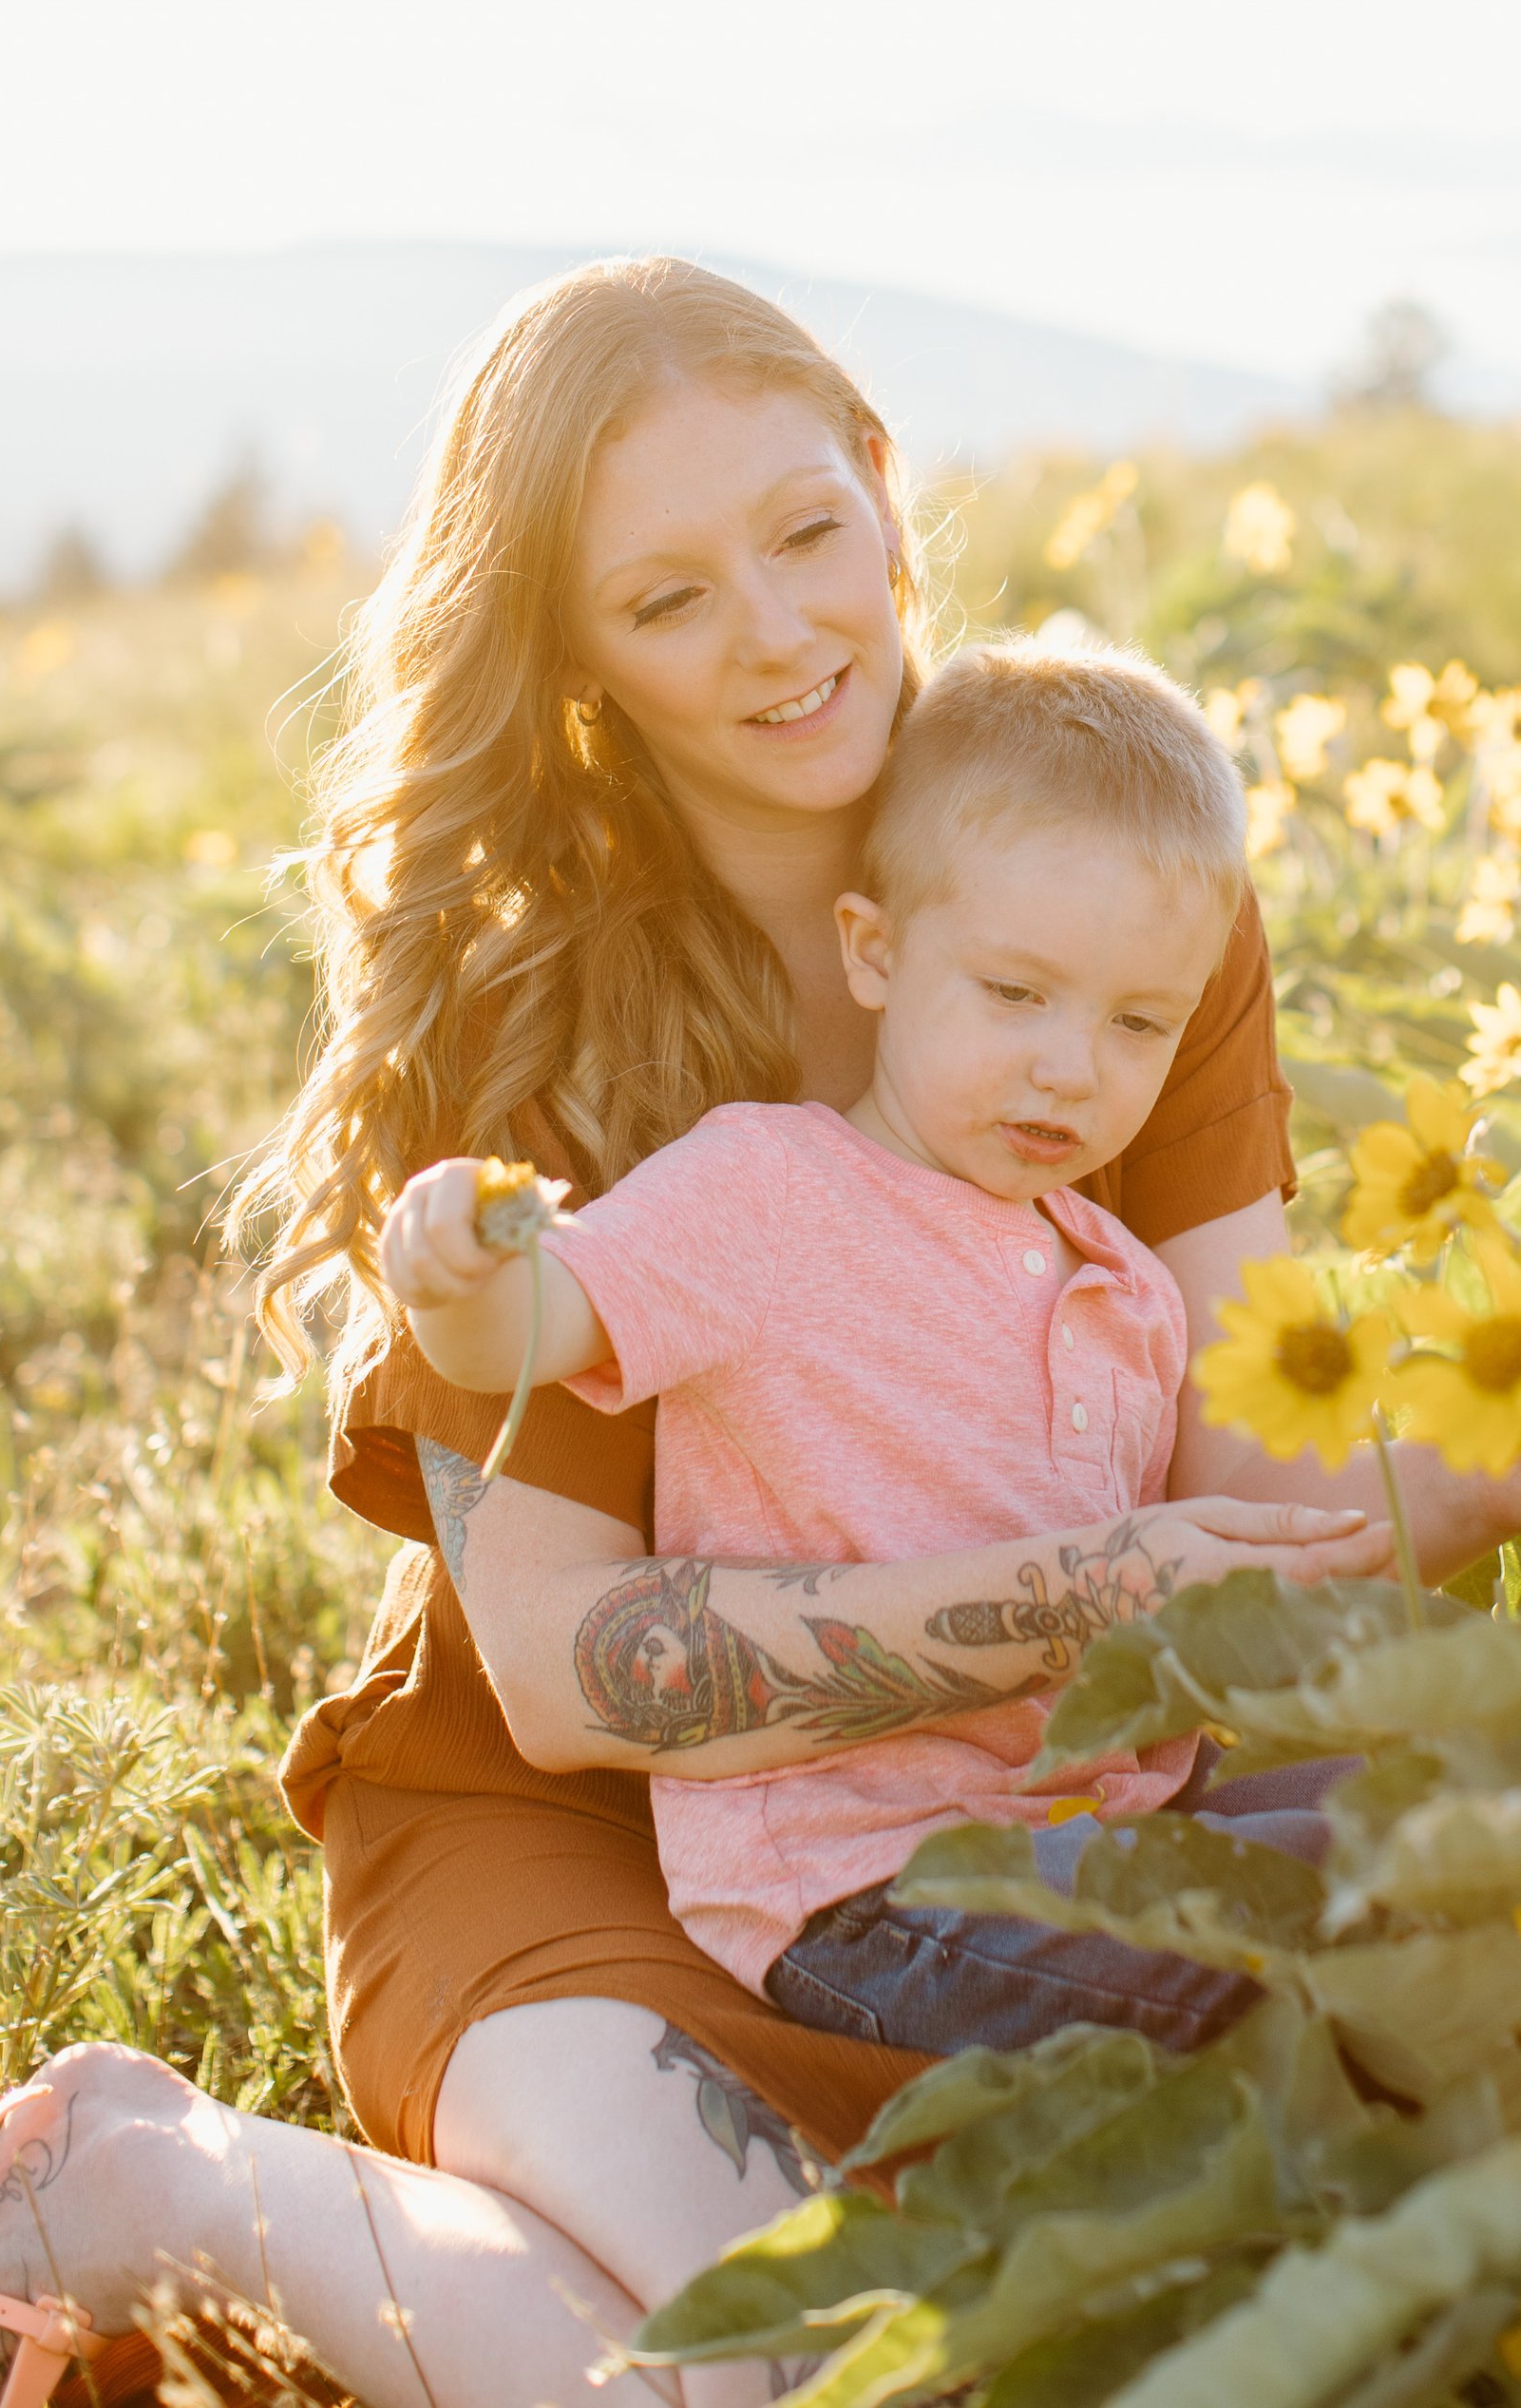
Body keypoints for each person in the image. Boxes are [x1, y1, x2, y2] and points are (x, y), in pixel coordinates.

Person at [0, 259, 1521, 2408]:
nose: (780, 632)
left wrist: (1515, 1456)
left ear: (882, 489)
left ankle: (317, 2264)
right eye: (667, 600)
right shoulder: (525, 1017)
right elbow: (577, 1678)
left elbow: (1223, 1474)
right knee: (803, 2385)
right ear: (575, 655)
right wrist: (1088, 1590)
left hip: (997, 1817)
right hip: (567, 1839)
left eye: (802, 534)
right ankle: (134, 2189)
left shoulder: (1100, 878)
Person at [379, 639, 1378, 2064]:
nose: (1069, 1065)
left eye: (1136, 1023)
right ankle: (1483, 2237)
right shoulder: (770, 1188)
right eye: (1015, 993)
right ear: (876, 951)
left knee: (1447, 1835)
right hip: (870, 1885)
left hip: (1089, 1828)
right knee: (1310, 1959)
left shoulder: (1121, 1287)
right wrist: (459, 1275)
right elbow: (545, 1323)